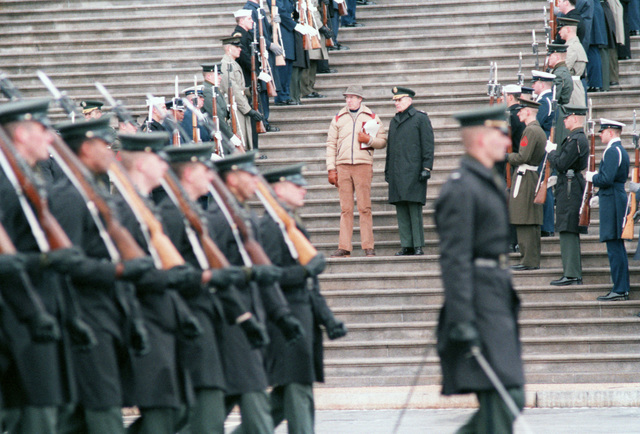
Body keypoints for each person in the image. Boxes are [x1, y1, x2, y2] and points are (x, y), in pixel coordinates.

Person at [157, 144, 269, 433]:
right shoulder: (173, 216)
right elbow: (168, 276)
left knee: (206, 416)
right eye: (206, 169)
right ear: (190, 172)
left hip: (214, 318)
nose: (211, 175)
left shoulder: (198, 215)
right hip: (191, 322)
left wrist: (244, 315)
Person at [237, 163, 347, 433]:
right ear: (276, 189)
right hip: (285, 319)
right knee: (298, 393)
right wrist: (304, 270)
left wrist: (327, 318)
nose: (304, 189)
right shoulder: (270, 228)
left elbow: (310, 285)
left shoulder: (291, 225)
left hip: (302, 317)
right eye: (296, 185)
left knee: (283, 401)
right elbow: (269, 277)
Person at [435, 104, 525, 434]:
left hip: (495, 298)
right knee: (505, 397)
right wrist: (462, 319)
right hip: (478, 303)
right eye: (502, 134)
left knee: (508, 397)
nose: (508, 141)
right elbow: (454, 260)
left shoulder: (484, 181)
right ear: (481, 140)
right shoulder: (461, 187)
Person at [210, 151, 304, 433]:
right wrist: (244, 316)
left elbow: (264, 278)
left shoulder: (246, 217)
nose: (255, 179)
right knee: (254, 410)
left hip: (253, 322)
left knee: (225, 411)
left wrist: (281, 314)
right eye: (248, 174)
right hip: (232, 323)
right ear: (231, 178)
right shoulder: (217, 220)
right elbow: (218, 276)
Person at [326, 85, 387, 258]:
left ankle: (368, 246)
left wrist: (369, 139)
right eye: (347, 97)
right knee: (346, 209)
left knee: (364, 208)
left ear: (360, 99)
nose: (349, 100)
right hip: (342, 166)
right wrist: (331, 169)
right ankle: (344, 247)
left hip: (363, 165)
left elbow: (382, 141)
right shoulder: (338, 117)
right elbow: (331, 144)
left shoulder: (372, 117)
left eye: (352, 97)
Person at [385, 86, 434, 256]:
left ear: (409, 100)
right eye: (395, 101)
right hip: (397, 172)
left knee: (414, 208)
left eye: (399, 100)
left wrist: (427, 167)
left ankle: (418, 245)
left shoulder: (420, 118)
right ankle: (406, 244)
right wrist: (387, 171)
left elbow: (428, 144)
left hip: (414, 172)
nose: (396, 103)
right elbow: (390, 149)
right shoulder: (394, 121)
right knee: (401, 209)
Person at [586, 118, 631, 300]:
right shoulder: (617, 150)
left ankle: (620, 289)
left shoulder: (612, 151)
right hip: (612, 197)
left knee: (614, 246)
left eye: (602, 131)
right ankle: (621, 287)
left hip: (612, 199)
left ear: (611, 132)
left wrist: (592, 177)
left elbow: (606, 179)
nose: (600, 134)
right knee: (615, 246)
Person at [546, 105, 590, 285]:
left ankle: (572, 273)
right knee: (566, 227)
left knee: (568, 227)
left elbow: (562, 164)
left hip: (571, 187)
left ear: (574, 118)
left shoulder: (576, 140)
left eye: (566, 118)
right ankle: (571, 272)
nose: (564, 121)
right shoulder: (574, 138)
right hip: (568, 185)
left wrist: (551, 152)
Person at [508, 98, 546, 270]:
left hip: (527, 175)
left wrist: (506, 156)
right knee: (527, 217)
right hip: (530, 175)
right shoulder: (535, 130)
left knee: (525, 217)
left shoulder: (530, 131)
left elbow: (522, 157)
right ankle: (529, 259)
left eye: (520, 110)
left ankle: (528, 260)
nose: (518, 113)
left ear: (528, 111)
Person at [220, 35, 263, 153]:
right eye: (237, 47)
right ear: (229, 48)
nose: (240, 49)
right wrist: (248, 110)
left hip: (239, 106)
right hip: (235, 107)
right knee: (239, 142)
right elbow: (232, 90)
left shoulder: (232, 63)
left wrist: (250, 90)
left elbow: (239, 88)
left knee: (242, 141)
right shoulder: (226, 65)